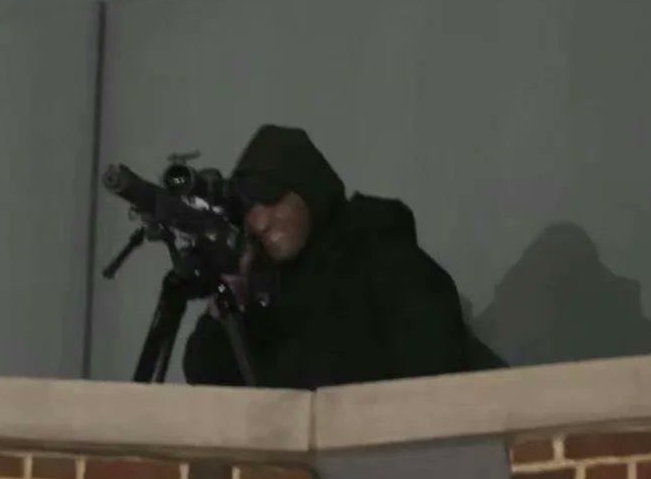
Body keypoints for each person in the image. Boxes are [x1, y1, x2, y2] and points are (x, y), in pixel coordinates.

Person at [182, 124, 505, 390]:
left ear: (308, 190)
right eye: (248, 209)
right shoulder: (266, 290)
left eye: (272, 198)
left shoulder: (386, 260)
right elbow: (210, 384)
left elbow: (435, 378)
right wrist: (228, 303)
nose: (260, 221)